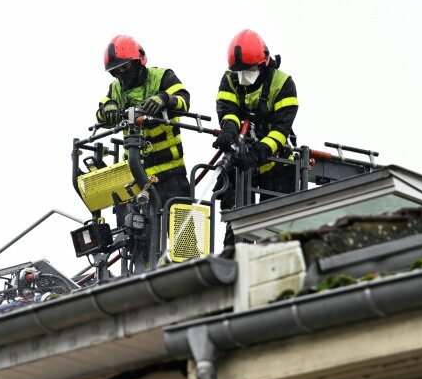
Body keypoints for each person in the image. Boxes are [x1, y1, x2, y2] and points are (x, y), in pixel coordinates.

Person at [212, 29, 299, 247]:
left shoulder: (283, 83)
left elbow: (281, 129)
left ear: (263, 63)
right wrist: (229, 131)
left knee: (272, 233)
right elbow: (227, 109)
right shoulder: (231, 80)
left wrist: (259, 152)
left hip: (276, 164)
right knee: (236, 229)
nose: (243, 75)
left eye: (249, 70)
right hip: (240, 161)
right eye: (239, 71)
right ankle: (233, 268)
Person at [96, 35, 192, 209]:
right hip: (136, 176)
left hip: (171, 174)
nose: (122, 74)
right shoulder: (115, 88)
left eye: (125, 67)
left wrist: (164, 98)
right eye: (116, 71)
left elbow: (184, 101)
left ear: (138, 61)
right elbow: (100, 113)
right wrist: (108, 107)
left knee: (183, 232)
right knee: (137, 234)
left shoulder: (162, 77)